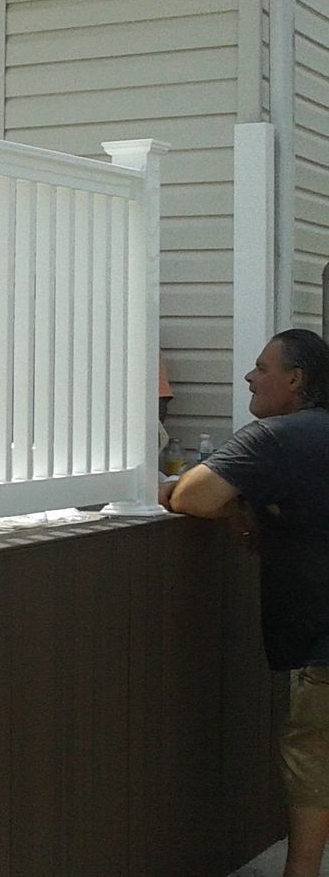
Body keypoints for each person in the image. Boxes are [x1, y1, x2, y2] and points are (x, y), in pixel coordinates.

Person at [166, 328, 329, 877]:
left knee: (314, 757)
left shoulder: (277, 438)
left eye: (261, 367)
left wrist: (236, 502)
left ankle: (301, 870)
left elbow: (191, 495)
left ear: (295, 379)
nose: (248, 377)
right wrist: (255, 503)